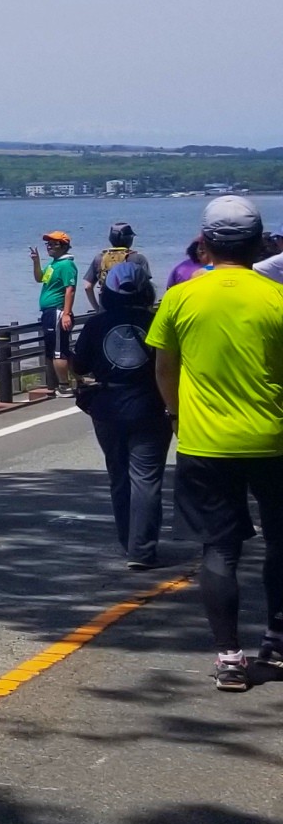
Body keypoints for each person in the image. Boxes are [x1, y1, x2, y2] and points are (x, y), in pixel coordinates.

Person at [144, 196, 283, 691]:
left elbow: (163, 366)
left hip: (206, 442)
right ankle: (276, 639)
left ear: (204, 243)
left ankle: (229, 658)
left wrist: (176, 413)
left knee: (219, 551)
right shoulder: (277, 297)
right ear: (262, 243)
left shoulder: (183, 296)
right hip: (273, 437)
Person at [70, 255, 170, 569]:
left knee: (118, 475)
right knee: (147, 477)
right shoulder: (156, 320)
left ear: (107, 291)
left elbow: (80, 364)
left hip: (107, 406)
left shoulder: (97, 323)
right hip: (151, 405)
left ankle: (127, 542)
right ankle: (142, 550)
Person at [30, 231, 78, 391]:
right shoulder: (53, 264)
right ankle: (79, 379)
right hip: (49, 312)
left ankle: (64, 386)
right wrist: (36, 262)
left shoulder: (66, 265)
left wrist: (66, 313)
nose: (49, 247)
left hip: (57, 311)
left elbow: (70, 290)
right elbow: (39, 278)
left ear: (64, 246)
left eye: (54, 243)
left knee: (58, 351)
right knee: (59, 348)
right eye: (48, 244)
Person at [85, 222, 151, 316]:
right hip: (133, 311)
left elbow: (87, 286)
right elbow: (146, 288)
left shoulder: (99, 258)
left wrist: (97, 308)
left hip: (106, 311)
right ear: (129, 239)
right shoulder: (138, 258)